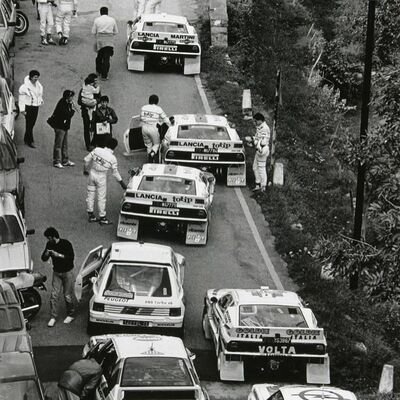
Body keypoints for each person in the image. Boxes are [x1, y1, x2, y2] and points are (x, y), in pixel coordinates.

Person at [84, 137, 127, 225]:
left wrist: (85, 169)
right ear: (114, 147)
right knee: (101, 197)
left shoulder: (97, 150)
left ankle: (91, 215)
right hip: (101, 177)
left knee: (90, 194)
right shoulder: (112, 158)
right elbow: (115, 173)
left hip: (92, 173)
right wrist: (121, 183)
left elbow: (86, 160)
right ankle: (102, 217)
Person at [41, 227, 75, 327]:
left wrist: (58, 255)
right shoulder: (49, 244)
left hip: (67, 272)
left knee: (67, 295)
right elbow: (43, 258)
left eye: (49, 238)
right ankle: (53, 316)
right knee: (54, 295)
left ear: (53, 237)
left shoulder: (66, 244)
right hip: (56, 272)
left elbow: (70, 258)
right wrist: (47, 254)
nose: (48, 240)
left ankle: (71, 314)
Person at [50, 89, 77, 168]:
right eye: (71, 97)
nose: (72, 98)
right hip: (59, 126)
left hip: (65, 127)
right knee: (58, 144)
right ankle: (56, 161)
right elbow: (67, 115)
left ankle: (65, 160)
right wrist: (72, 110)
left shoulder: (67, 103)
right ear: (67, 97)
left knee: (65, 144)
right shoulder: (62, 104)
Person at [140, 94, 170, 162]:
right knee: (156, 144)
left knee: (148, 144)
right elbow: (165, 119)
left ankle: (149, 158)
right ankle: (152, 154)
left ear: (149, 101)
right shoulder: (158, 109)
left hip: (144, 128)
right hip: (153, 128)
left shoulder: (143, 107)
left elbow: (141, 118)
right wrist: (170, 125)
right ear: (157, 102)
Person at [18, 70, 44, 148]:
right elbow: (21, 99)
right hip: (28, 107)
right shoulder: (24, 87)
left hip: (35, 107)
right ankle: (30, 141)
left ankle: (26, 138)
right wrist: (22, 110)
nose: (36, 79)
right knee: (29, 124)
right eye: (35, 77)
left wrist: (40, 101)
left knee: (32, 124)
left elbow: (39, 95)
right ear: (31, 77)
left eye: (37, 77)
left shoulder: (38, 85)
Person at [92, 7, 118, 80]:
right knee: (107, 58)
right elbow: (116, 31)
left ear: (100, 12)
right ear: (107, 12)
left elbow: (93, 32)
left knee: (99, 56)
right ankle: (104, 75)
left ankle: (98, 71)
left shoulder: (97, 20)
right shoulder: (112, 20)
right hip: (109, 40)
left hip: (100, 40)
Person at [78, 73, 101, 151]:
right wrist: (87, 104)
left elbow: (99, 99)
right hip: (85, 111)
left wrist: (95, 102)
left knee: (95, 126)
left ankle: (94, 143)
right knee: (86, 128)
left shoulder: (95, 89)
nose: (96, 82)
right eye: (94, 81)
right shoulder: (84, 89)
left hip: (94, 111)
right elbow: (79, 101)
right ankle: (88, 145)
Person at [252, 112, 271, 192]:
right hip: (258, 149)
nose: (255, 122)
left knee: (261, 169)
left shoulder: (264, 128)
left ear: (260, 120)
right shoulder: (259, 127)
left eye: (256, 121)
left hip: (262, 150)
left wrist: (255, 142)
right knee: (255, 167)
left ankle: (263, 187)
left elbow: (263, 141)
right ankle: (258, 184)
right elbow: (257, 137)